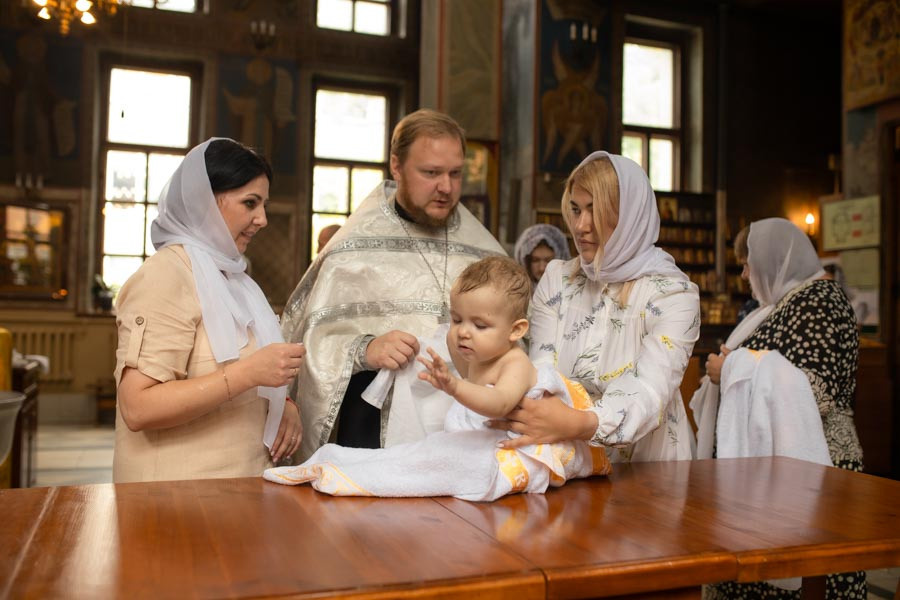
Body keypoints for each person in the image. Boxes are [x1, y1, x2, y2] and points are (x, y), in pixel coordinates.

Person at [264, 257, 611, 500]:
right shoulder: (473, 349)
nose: (462, 333)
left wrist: (455, 386)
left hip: (505, 449)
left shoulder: (515, 363)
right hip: (474, 441)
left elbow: (499, 404)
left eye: (479, 325)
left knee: (428, 463)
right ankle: (335, 460)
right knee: (417, 454)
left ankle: (354, 478)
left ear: (516, 330)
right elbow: (454, 357)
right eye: (457, 319)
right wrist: (449, 366)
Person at [281, 109, 505, 461]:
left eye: (455, 174)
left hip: (465, 431)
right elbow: (306, 340)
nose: (446, 187)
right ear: (396, 166)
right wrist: (365, 350)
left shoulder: (485, 250)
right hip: (372, 432)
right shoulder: (352, 247)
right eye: (431, 173)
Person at [112, 138, 306, 483]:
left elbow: (242, 370)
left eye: (263, 205)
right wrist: (248, 374)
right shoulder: (167, 275)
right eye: (250, 203)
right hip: (174, 498)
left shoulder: (232, 279)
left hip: (234, 492)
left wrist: (282, 404)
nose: (261, 219)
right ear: (206, 202)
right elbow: (138, 407)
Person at [489, 151, 700, 462]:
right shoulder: (558, 279)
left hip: (646, 463)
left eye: (596, 211)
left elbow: (649, 388)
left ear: (631, 215)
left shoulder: (674, 293)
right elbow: (542, 368)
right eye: (575, 209)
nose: (581, 225)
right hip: (563, 452)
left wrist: (575, 423)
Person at [702, 218, 865, 600]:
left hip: (818, 462)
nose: (744, 274)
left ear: (776, 258)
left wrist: (731, 368)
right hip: (779, 464)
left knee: (810, 577)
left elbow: (815, 388)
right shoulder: (783, 304)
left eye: (747, 263)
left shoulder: (820, 301)